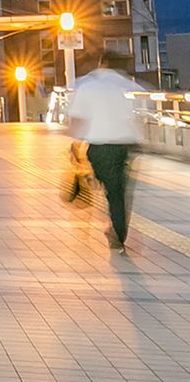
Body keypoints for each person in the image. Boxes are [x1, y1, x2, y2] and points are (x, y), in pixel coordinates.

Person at [66, 66, 139, 251]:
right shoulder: (117, 88)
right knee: (117, 193)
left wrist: (75, 144)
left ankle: (91, 188)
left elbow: (77, 121)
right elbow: (129, 118)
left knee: (108, 186)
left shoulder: (87, 86)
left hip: (99, 147)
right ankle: (118, 234)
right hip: (121, 146)